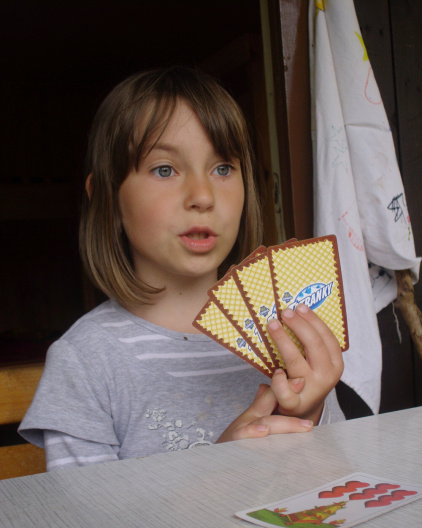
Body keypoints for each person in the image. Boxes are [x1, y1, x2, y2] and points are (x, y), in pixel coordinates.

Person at [19, 67, 344, 471]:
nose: (203, 196)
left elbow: (336, 482)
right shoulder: (85, 361)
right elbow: (87, 513)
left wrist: (308, 411)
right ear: (106, 196)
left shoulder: (284, 333)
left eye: (222, 168)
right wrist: (217, 471)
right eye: (164, 169)